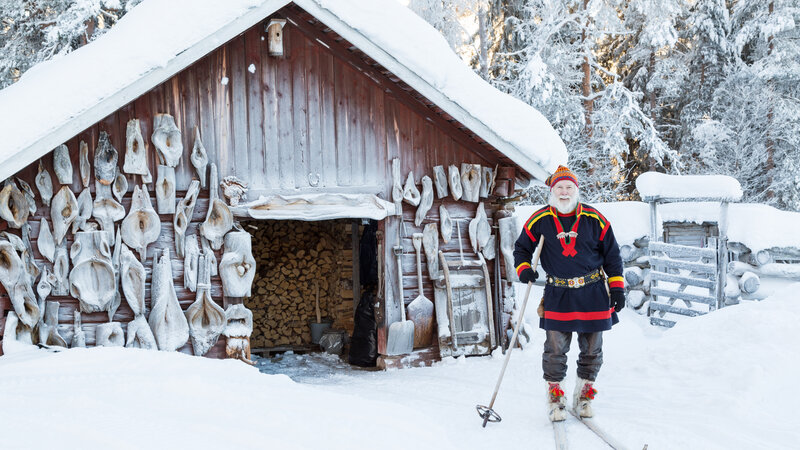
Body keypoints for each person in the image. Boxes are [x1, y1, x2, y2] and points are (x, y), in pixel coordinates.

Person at [513, 165, 625, 422]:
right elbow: (522, 249)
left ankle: (584, 397)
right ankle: (555, 399)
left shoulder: (595, 218)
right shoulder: (539, 219)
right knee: (555, 349)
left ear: (576, 190)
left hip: (594, 292)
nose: (564, 192)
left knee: (592, 350)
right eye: (559, 188)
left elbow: (613, 255)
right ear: (552, 191)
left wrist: (617, 287)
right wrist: (524, 269)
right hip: (558, 293)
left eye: (569, 188)